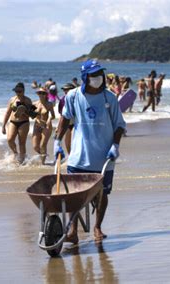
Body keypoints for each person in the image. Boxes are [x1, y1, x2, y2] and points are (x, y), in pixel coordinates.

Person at [53, 59, 126, 242]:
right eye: (93, 75)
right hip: (78, 157)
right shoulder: (73, 96)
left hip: (103, 158)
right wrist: (57, 141)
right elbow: (64, 119)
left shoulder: (109, 97)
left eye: (99, 74)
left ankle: (97, 227)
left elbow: (119, 125)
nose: (98, 78)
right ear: (85, 77)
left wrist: (115, 146)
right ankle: (72, 232)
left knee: (102, 194)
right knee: (73, 196)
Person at [2, 82, 35, 164]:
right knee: (10, 139)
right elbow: (7, 113)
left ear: (23, 91)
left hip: (24, 122)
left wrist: (24, 112)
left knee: (22, 142)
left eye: (20, 91)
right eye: (16, 91)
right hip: (13, 122)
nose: (18, 93)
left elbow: (32, 115)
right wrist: (3, 125)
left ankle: (22, 161)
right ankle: (15, 153)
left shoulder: (28, 100)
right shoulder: (12, 100)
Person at [32, 87, 55, 164]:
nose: (41, 95)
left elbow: (53, 115)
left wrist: (49, 119)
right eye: (39, 93)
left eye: (43, 93)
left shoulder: (49, 104)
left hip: (46, 125)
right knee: (35, 147)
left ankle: (43, 163)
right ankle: (44, 155)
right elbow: (31, 115)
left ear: (46, 95)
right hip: (37, 125)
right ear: (37, 94)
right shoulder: (34, 104)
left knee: (43, 145)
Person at [59, 83, 77, 153]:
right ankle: (70, 157)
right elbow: (61, 115)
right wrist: (59, 127)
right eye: (64, 90)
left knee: (75, 141)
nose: (65, 91)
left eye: (67, 89)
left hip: (77, 123)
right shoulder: (62, 100)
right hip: (67, 123)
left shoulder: (78, 99)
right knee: (67, 142)